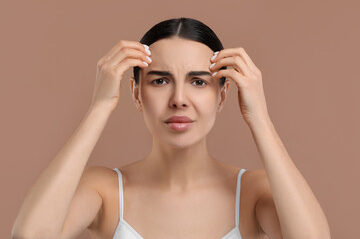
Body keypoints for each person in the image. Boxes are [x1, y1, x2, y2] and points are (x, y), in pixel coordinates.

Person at [12, 17, 330, 239]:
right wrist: (100, 106)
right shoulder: (105, 191)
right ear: (136, 93)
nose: (179, 99)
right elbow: (31, 234)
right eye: (161, 80)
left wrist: (259, 117)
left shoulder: (252, 193)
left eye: (198, 81)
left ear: (222, 95)